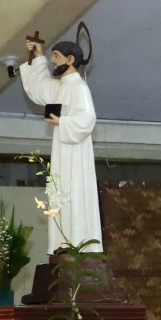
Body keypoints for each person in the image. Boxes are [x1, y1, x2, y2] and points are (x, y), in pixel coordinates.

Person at [20, 38, 103, 255]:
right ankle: (62, 244)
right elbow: (38, 89)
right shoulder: (59, 87)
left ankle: (78, 243)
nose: (52, 60)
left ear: (71, 59)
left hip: (75, 151)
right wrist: (38, 55)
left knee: (75, 189)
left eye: (55, 56)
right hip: (61, 151)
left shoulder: (79, 88)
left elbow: (87, 119)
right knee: (61, 191)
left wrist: (63, 122)